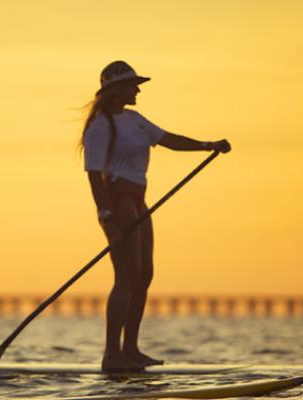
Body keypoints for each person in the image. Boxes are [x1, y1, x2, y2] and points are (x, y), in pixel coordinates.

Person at [81, 61, 231, 372]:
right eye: (132, 84)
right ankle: (112, 355)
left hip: (139, 199)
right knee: (126, 275)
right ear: (115, 90)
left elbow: (168, 139)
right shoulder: (100, 125)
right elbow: (94, 175)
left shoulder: (135, 120)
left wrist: (208, 145)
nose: (138, 89)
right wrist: (105, 215)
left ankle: (131, 349)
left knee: (144, 274)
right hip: (118, 201)